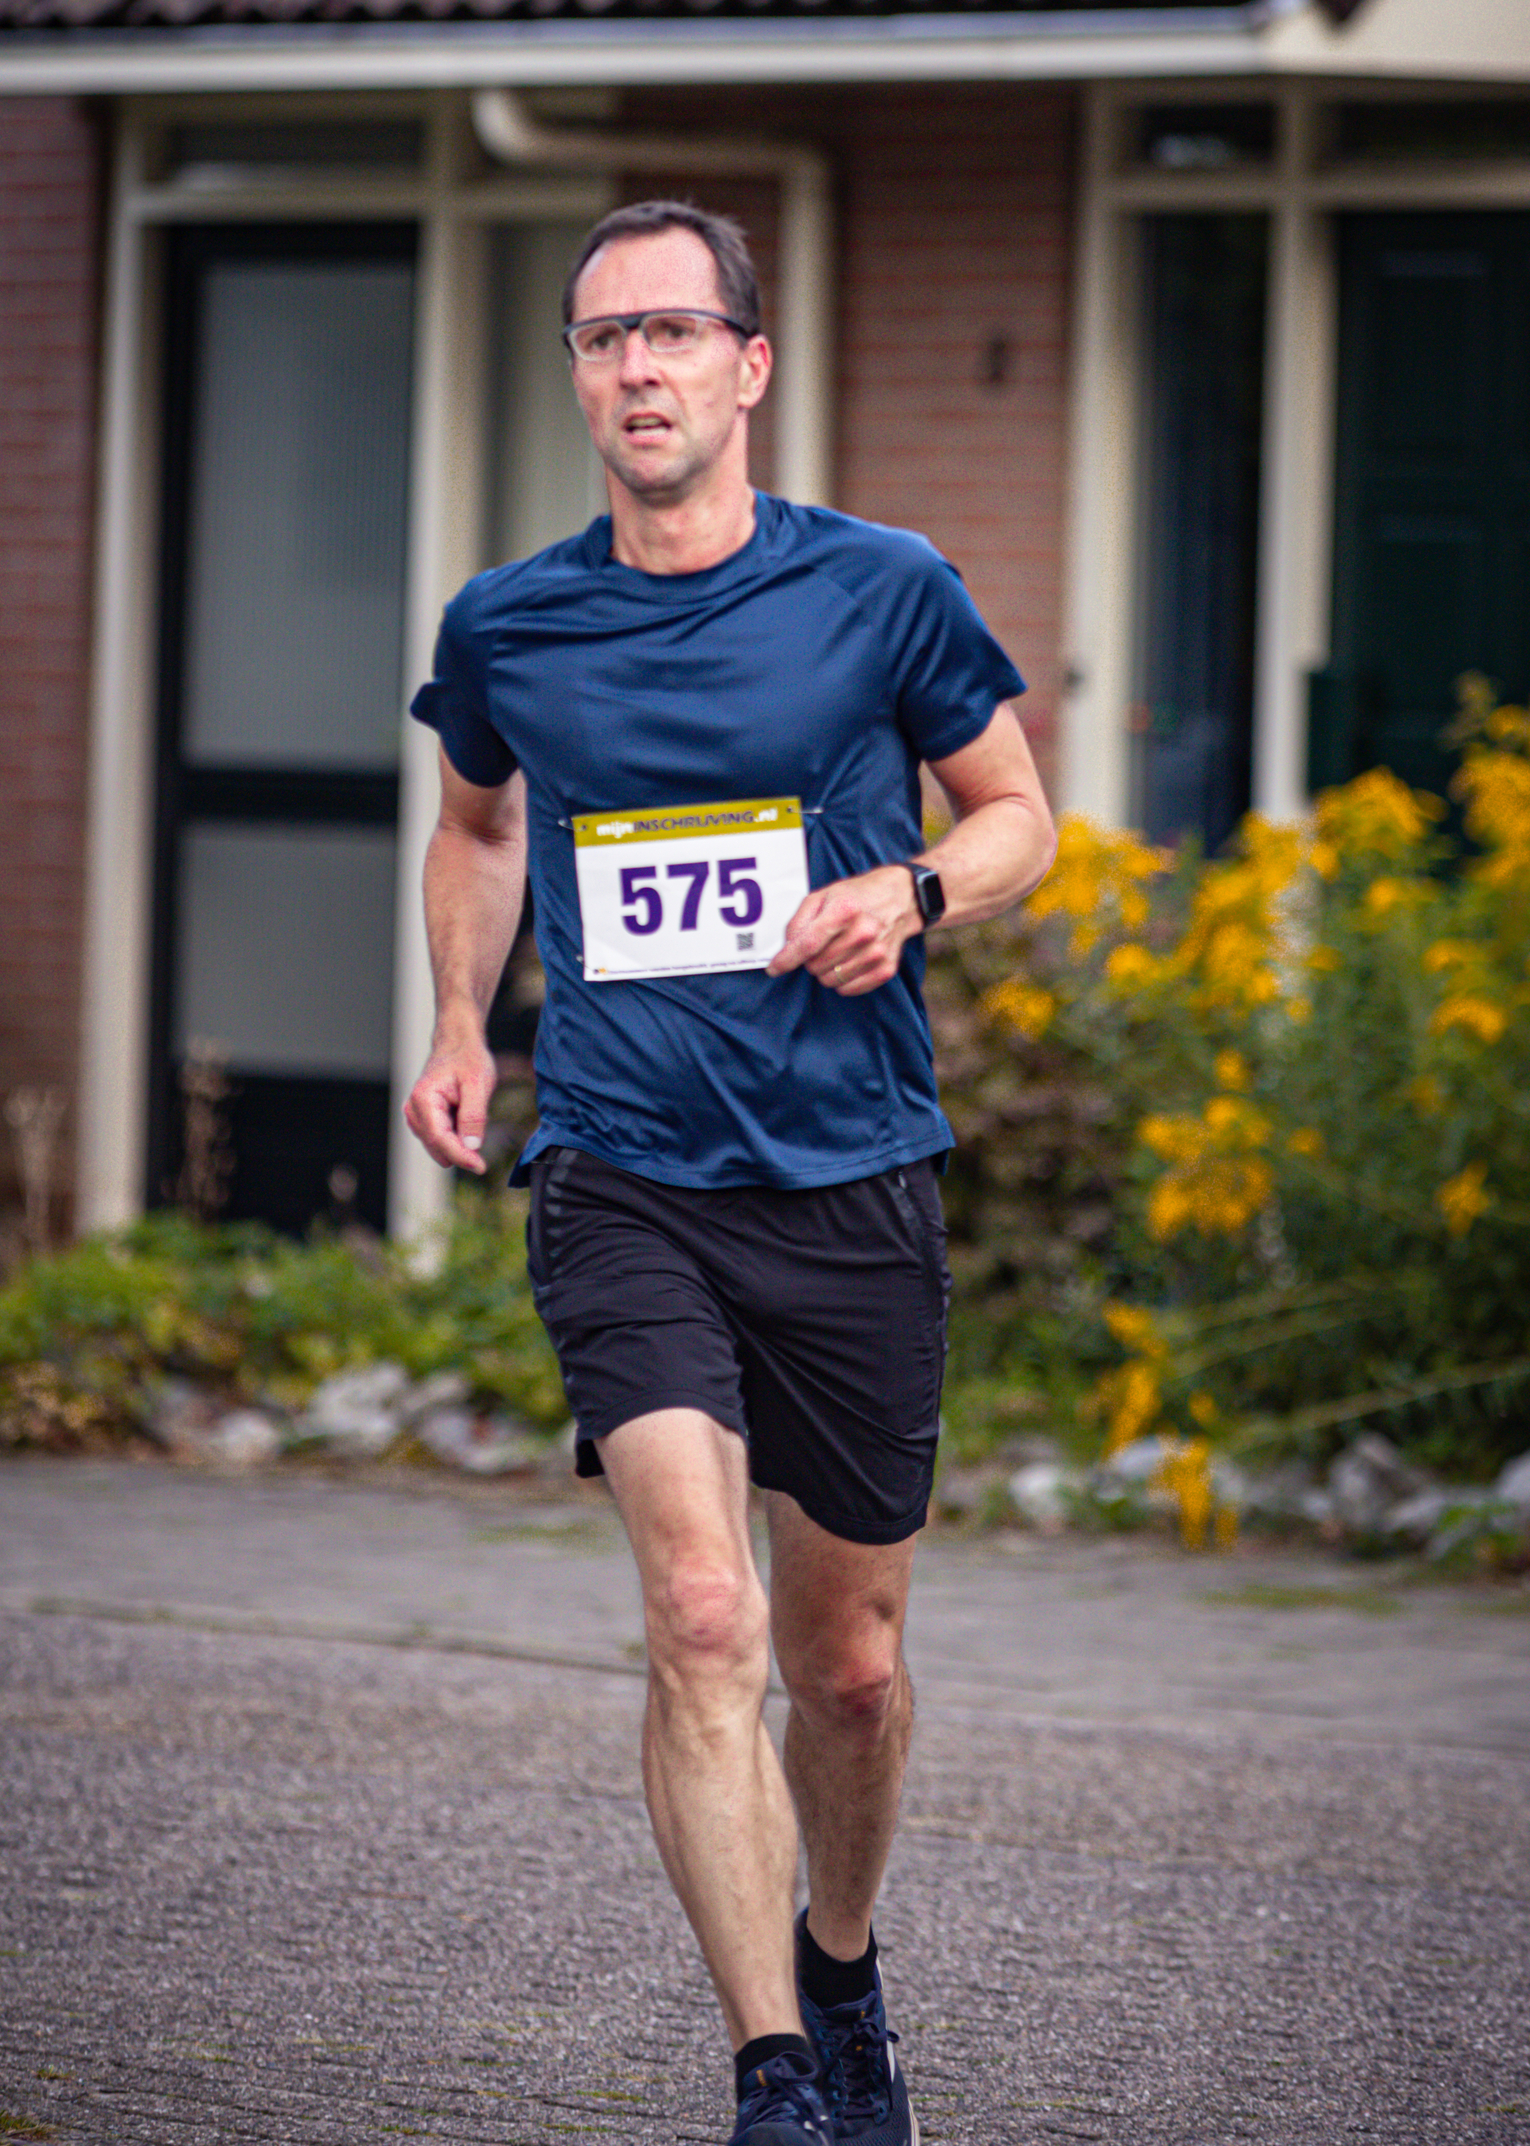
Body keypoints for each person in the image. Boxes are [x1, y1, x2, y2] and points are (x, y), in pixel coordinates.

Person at [405, 198, 1055, 2146]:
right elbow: (478, 823)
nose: (638, 370)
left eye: (674, 333)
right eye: (604, 340)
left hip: (852, 1176)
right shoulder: (507, 619)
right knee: (701, 1618)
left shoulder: (882, 588)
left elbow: (1020, 813)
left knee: (843, 1670)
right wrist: (457, 1019)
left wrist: (911, 889)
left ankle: (841, 1971)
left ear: (748, 366)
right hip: (626, 1171)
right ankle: (774, 2074)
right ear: (580, 377)